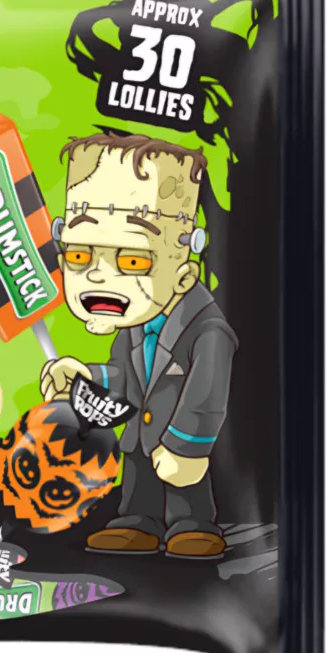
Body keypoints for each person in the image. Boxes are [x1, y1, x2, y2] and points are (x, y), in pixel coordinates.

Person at [40, 133, 236, 559]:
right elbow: (124, 378)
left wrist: (187, 447)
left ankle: (192, 525)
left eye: (131, 261)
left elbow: (206, 395)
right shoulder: (133, 323)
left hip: (179, 441)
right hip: (139, 441)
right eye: (79, 256)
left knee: (184, 489)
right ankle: (137, 521)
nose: (97, 276)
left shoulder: (207, 331)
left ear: (184, 275)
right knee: (139, 487)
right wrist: (86, 379)